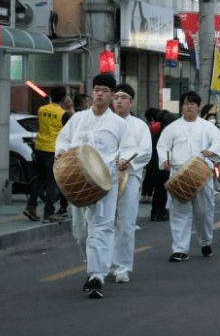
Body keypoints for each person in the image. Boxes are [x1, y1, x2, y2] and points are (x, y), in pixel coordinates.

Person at [55, 74, 135, 299]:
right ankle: (95, 265)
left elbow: (128, 147)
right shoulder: (78, 119)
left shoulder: (119, 124)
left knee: (102, 227)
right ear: (92, 93)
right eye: (97, 89)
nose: (100, 93)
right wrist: (60, 152)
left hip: (104, 183)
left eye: (105, 90)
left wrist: (125, 159)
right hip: (77, 182)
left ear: (111, 95)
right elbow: (62, 140)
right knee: (80, 232)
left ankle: (96, 276)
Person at [157, 91, 220, 262]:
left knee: (203, 212)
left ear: (198, 106)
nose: (189, 106)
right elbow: (163, 146)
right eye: (186, 103)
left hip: (201, 173)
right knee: (179, 211)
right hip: (179, 172)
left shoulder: (208, 127)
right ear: (182, 106)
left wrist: (211, 153)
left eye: (192, 104)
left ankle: (205, 241)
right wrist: (166, 160)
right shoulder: (172, 128)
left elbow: (219, 144)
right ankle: (179, 249)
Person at [109, 83, 152, 283]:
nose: (118, 101)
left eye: (123, 97)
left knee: (125, 222)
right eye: (116, 97)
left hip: (130, 177)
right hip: (104, 178)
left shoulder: (139, 126)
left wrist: (128, 161)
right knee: (103, 222)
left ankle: (122, 266)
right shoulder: (102, 123)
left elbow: (146, 151)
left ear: (131, 102)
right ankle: (103, 262)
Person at [24, 86, 73, 223]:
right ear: (64, 100)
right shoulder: (64, 114)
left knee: (40, 178)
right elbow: (73, 129)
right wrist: (69, 108)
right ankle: (48, 213)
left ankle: (31, 207)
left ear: (51, 97)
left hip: (39, 147)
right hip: (53, 151)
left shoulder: (41, 110)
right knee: (52, 183)